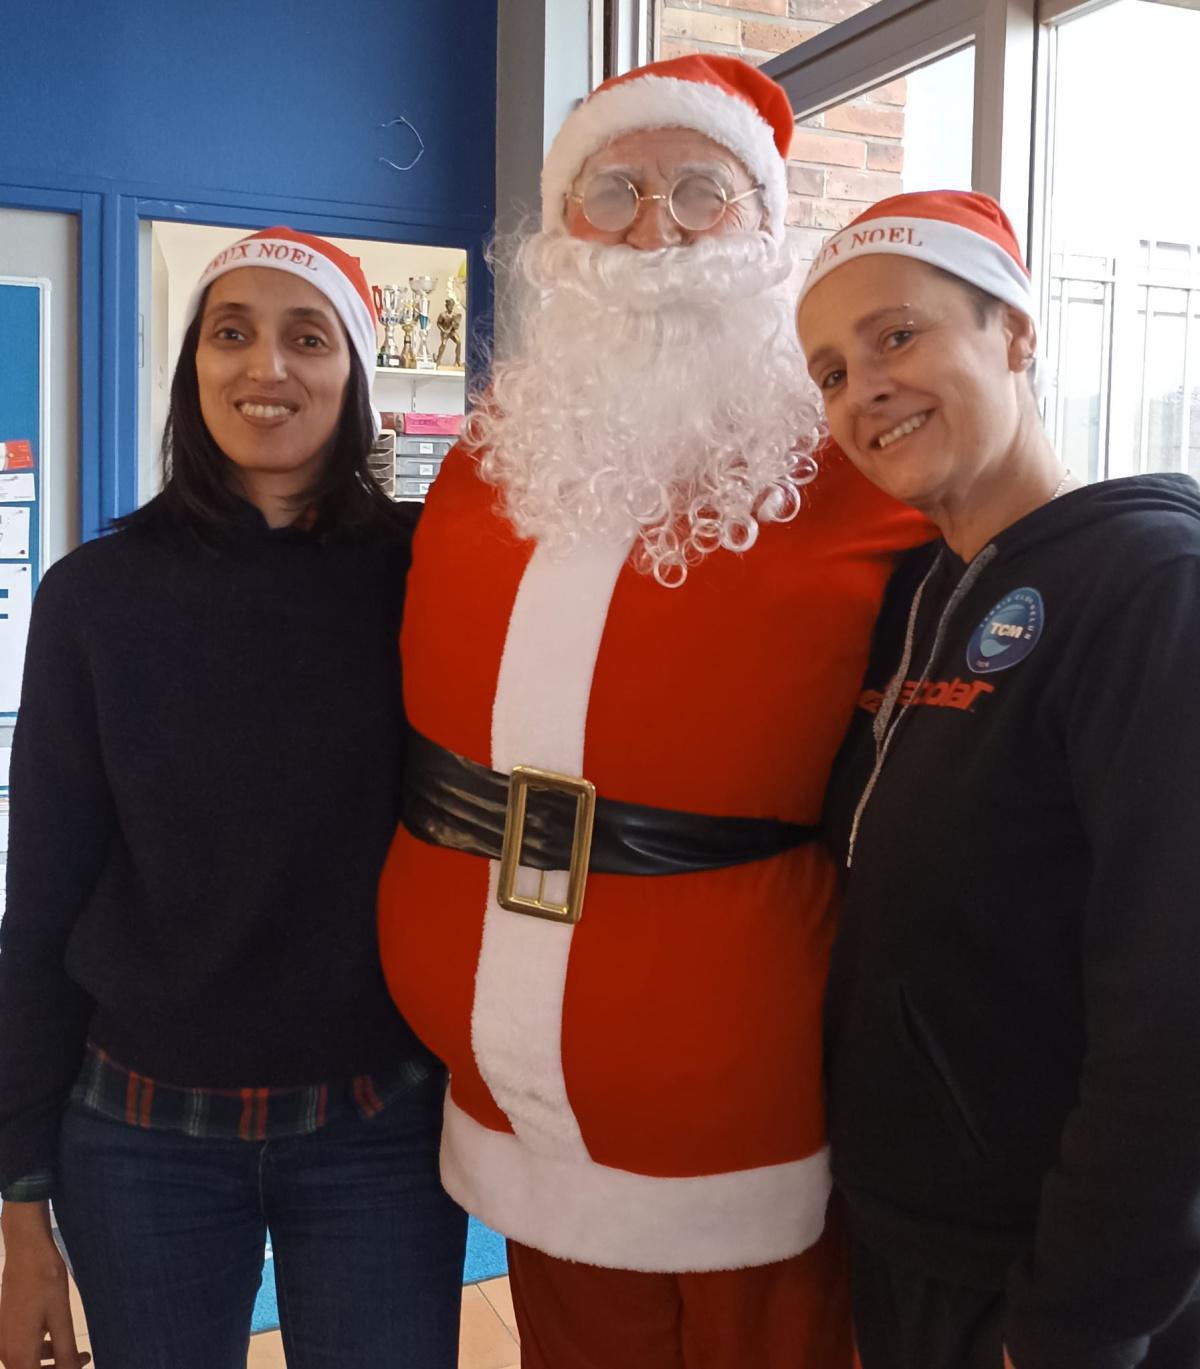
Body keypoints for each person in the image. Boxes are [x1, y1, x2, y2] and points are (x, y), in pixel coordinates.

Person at [376, 55, 927, 1369]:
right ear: (558, 231)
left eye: (699, 190)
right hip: (506, 1078)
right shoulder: (490, 457)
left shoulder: (865, 480)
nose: (654, 228)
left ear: (766, 226)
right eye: (614, 189)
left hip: (744, 1074)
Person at [0, 227, 466, 1369]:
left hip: (381, 1122)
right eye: (231, 333)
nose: (267, 367)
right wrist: (19, 1213)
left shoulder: (429, 576)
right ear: (191, 367)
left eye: (308, 337)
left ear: (353, 372)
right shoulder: (95, 599)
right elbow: (42, 900)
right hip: (141, 1133)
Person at [795, 189, 1200, 1369]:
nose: (861, 388)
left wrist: (1076, 1321)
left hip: (1059, 1283)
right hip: (912, 1236)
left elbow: (1175, 1012)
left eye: (897, 335)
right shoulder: (917, 598)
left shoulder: (1149, 588)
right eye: (828, 370)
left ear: (1017, 335)